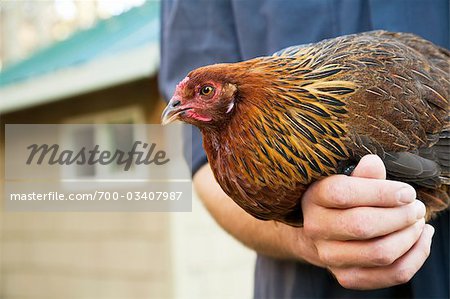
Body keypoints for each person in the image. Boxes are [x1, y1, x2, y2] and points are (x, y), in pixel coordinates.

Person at [159, 0, 449, 297]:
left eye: (205, 92)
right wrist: (302, 239)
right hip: (306, 285)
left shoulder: (370, 103)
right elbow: (201, 167)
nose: (177, 103)